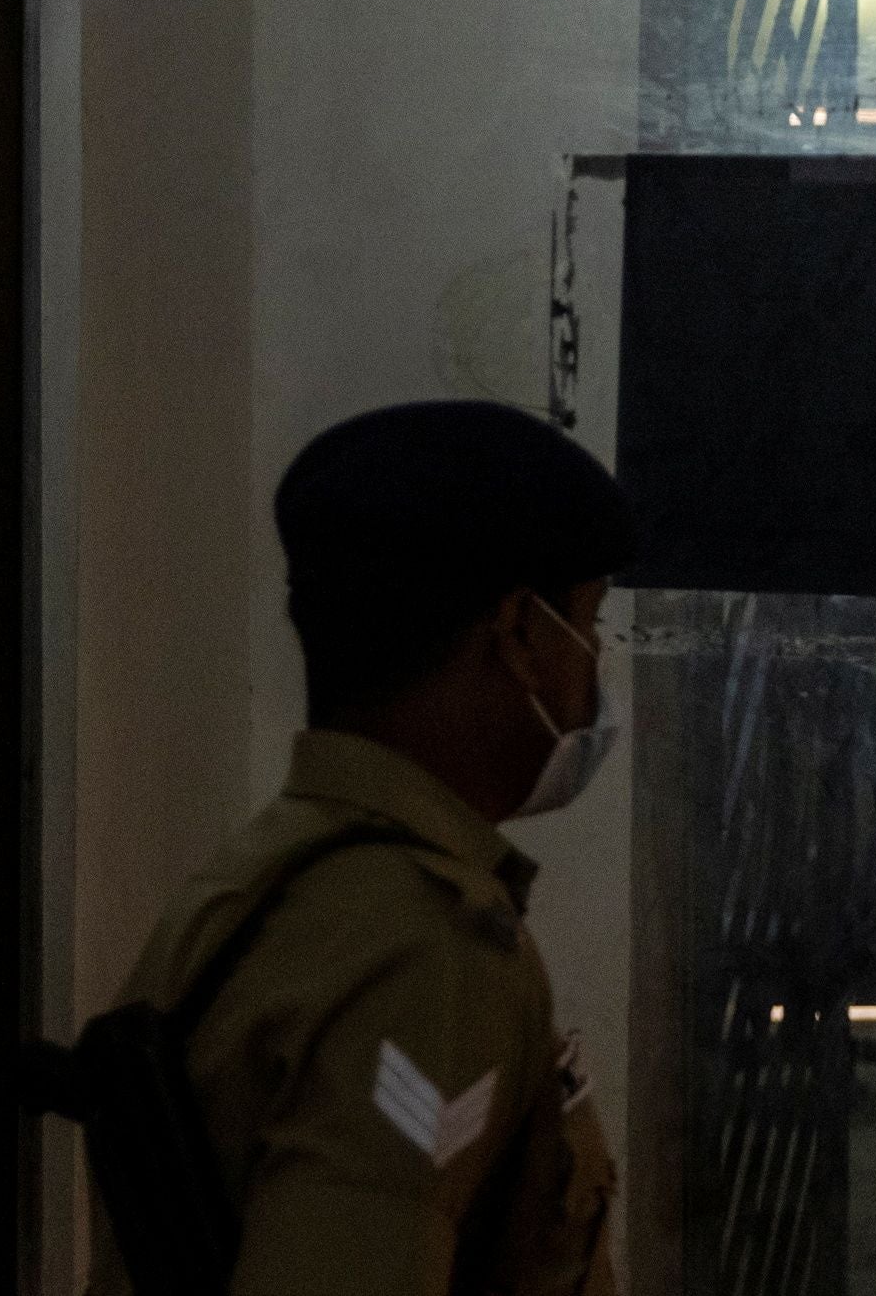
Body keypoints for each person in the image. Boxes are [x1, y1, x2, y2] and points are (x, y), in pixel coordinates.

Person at [89, 400, 635, 1296]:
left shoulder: (266, 881)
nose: (595, 666)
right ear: (521, 636)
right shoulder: (424, 956)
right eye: (589, 622)